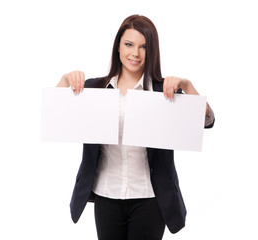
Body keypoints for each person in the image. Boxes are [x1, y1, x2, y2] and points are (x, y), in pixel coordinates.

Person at [56, 14, 215, 240]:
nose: (135, 53)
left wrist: (188, 86)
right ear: (118, 47)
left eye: (143, 47)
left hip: (150, 197)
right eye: (129, 44)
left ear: (152, 52)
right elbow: (56, 117)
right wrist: (64, 81)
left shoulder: (163, 93)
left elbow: (206, 121)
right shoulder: (94, 89)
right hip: (106, 195)